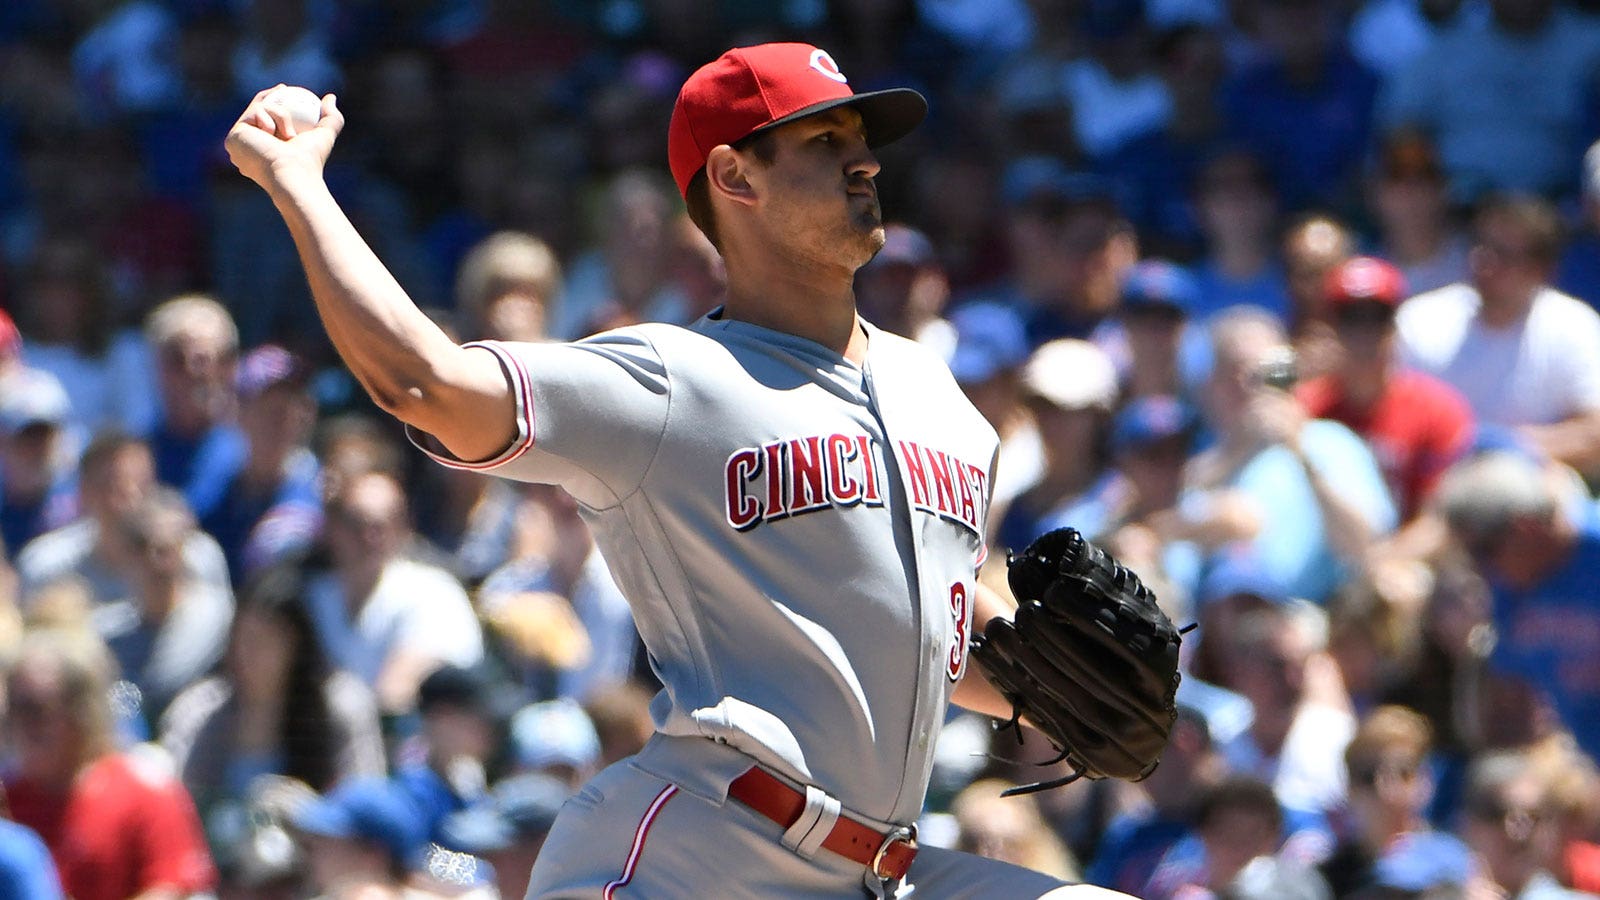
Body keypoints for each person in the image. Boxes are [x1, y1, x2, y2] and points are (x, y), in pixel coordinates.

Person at [225, 40, 1130, 898]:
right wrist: (298, 184)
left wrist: (1044, 686)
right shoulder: (667, 382)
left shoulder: (943, 401)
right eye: (824, 140)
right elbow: (426, 383)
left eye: (862, 142)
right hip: (696, 853)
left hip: (885, 867)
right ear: (734, 176)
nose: (866, 163)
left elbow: (935, 635)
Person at [159, 562, 386, 849]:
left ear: (296, 644)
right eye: (240, 640)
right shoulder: (200, 709)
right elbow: (173, 800)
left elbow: (367, 804)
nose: (246, 655)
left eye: (262, 642)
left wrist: (311, 812)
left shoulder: (343, 705)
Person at [1396, 195, 1600, 477]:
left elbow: (1595, 433)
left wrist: (1505, 449)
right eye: (1482, 247)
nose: (1485, 262)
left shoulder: (1573, 324)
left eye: (1503, 253)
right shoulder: (1419, 319)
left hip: (1532, 482)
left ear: (1540, 270)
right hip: (1434, 480)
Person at [4, 628, 215, 900]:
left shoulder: (144, 793)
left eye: (35, 709)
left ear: (81, 710)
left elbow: (173, 889)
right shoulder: (8, 800)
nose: (22, 725)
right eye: (13, 708)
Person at [1296, 256, 1474, 521]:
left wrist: (1383, 559)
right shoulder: (1303, 408)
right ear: (1330, 328)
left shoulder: (1437, 409)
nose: (1364, 334)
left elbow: (1438, 522)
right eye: (1351, 319)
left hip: (1403, 554)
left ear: (1394, 326)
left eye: (1376, 318)